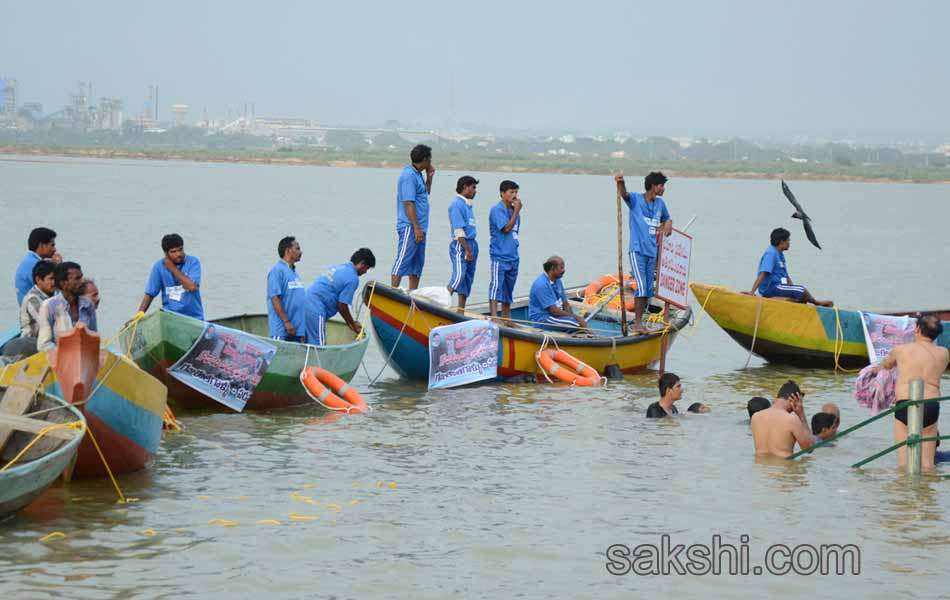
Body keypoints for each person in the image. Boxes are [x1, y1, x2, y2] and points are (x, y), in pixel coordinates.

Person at [870, 314, 949, 469]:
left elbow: (883, 366)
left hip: (905, 404)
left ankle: (905, 491)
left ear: (917, 329)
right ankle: (926, 491)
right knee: (927, 465)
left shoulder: (901, 350)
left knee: (903, 464)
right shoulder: (944, 353)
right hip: (931, 406)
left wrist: (873, 370)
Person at [614, 171, 672, 334]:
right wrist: (621, 182)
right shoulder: (636, 200)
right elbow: (623, 194)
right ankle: (638, 323)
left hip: (652, 252)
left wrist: (668, 224)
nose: (663, 189)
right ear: (653, 186)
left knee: (648, 288)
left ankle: (641, 320)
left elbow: (667, 218)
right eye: (661, 185)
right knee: (640, 286)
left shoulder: (660, 204)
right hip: (638, 250)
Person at [746, 227, 832, 306]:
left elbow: (786, 276)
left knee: (796, 298)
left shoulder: (780, 254)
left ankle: (781, 300)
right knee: (801, 290)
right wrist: (752, 292)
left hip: (779, 287)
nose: (789, 243)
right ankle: (816, 302)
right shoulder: (771, 254)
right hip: (771, 288)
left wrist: (792, 290)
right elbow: (763, 274)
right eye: (788, 240)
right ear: (782, 241)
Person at [306, 248, 375, 345]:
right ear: (362, 264)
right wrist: (353, 324)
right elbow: (341, 305)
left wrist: (350, 322)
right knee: (319, 347)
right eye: (366, 268)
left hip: (304, 303)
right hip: (315, 308)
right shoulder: (353, 278)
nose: (365, 272)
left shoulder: (340, 267)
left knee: (305, 341)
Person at [391, 144, 434, 291]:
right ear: (424, 159)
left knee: (417, 264)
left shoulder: (418, 175)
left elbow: (424, 193)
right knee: (403, 259)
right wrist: (415, 227)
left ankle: (413, 293)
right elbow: (408, 203)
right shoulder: (408, 175)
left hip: (421, 227)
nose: (430, 162)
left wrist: (429, 178)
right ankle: (393, 291)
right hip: (410, 226)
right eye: (429, 159)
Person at [138, 234, 204, 320]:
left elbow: (191, 287)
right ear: (166, 253)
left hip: (194, 319)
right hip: (170, 319)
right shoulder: (159, 267)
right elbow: (150, 294)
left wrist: (172, 268)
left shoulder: (193, 262)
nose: (179, 254)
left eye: (180, 250)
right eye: (174, 252)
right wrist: (140, 314)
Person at [37, 262, 97, 352]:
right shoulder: (49, 306)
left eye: (81, 277)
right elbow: (44, 345)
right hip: (58, 360)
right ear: (63, 284)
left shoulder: (88, 305)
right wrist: (67, 354)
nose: (82, 282)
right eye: (77, 279)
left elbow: (93, 337)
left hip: (84, 360)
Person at [750, 380, 815, 457]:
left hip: (760, 467)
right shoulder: (792, 419)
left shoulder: (756, 417)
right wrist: (801, 415)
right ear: (795, 399)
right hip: (782, 467)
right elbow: (809, 449)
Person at [488, 180, 522, 320]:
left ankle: (506, 318)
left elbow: (515, 232)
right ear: (502, 193)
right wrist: (517, 211)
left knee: (509, 289)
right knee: (496, 285)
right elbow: (507, 228)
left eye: (516, 192)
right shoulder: (497, 210)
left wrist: (515, 211)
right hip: (500, 255)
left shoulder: (514, 212)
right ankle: (495, 316)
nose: (514, 195)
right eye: (511, 192)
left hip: (513, 256)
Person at [527, 256, 588, 333]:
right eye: (561, 268)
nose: (564, 270)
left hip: (555, 316)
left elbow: (566, 305)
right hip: (543, 319)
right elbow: (554, 312)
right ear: (552, 268)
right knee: (575, 324)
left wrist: (576, 318)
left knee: (578, 321)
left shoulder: (557, 280)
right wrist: (577, 318)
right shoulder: (541, 285)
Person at [446, 176, 479, 311]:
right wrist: (467, 249)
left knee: (467, 278)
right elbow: (459, 231)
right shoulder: (456, 204)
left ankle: (461, 310)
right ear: (465, 187)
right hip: (461, 244)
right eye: (473, 187)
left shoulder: (467, 205)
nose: (475, 191)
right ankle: (442, 301)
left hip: (471, 243)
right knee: (459, 274)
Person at [267, 236, 306, 342]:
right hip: (282, 330)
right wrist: (286, 322)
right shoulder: (277, 271)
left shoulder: (294, 273)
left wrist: (301, 331)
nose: (301, 252)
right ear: (288, 251)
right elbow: (275, 298)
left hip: (296, 331)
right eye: (297, 248)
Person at [14, 227, 61, 306]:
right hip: (34, 310)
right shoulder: (33, 264)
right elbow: (52, 289)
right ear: (42, 245)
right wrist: (59, 268)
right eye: (52, 245)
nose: (54, 249)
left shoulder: (30, 260)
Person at [19, 260, 57, 339]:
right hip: (31, 343)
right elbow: (47, 322)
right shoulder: (32, 299)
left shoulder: (53, 294)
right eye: (51, 279)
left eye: (56, 278)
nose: (54, 282)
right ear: (38, 279)